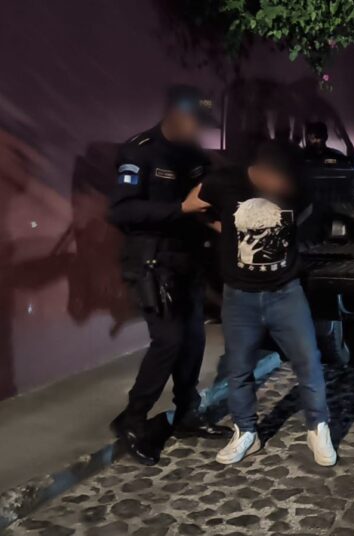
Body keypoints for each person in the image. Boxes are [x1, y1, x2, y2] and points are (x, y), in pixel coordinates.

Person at [182, 141, 337, 467]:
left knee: (308, 361)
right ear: (261, 171)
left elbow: (305, 216)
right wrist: (219, 225)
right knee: (239, 369)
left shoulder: (298, 187)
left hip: (286, 293)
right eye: (277, 179)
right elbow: (191, 205)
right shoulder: (225, 181)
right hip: (239, 296)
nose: (282, 187)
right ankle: (246, 432)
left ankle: (318, 427)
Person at [109, 85, 232, 466]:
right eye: (196, 121)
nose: (199, 129)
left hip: (187, 261)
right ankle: (132, 419)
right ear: (176, 114)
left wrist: (217, 221)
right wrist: (180, 208)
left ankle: (187, 413)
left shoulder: (193, 156)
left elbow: (206, 203)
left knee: (193, 339)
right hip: (151, 261)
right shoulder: (139, 152)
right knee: (169, 340)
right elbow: (122, 212)